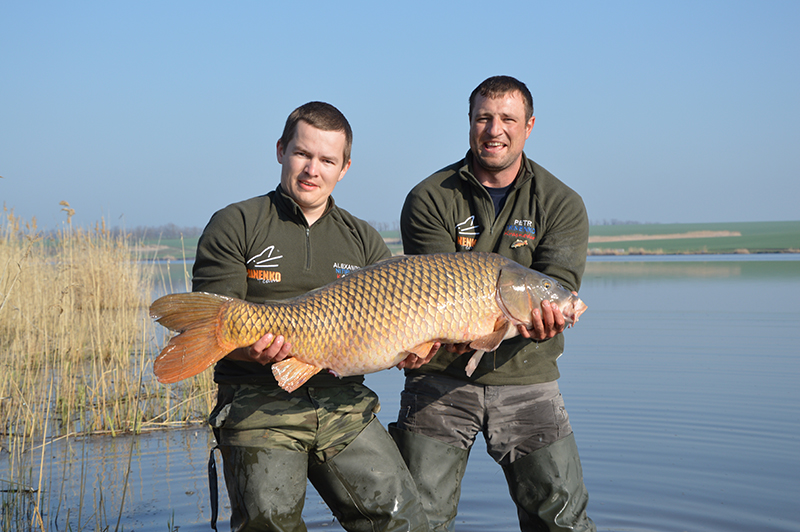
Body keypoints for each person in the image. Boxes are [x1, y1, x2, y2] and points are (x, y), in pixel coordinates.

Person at [194, 101, 431, 532]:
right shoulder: (236, 223)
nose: (312, 170)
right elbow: (215, 323)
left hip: (345, 406)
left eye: (327, 160)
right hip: (257, 403)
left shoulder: (363, 239)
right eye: (303, 154)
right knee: (270, 525)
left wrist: (413, 353)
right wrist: (256, 351)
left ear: (344, 168)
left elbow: (397, 331)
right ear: (281, 150)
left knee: (405, 522)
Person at [389, 76, 596, 532]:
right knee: (418, 519)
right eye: (484, 118)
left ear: (529, 126)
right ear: (469, 123)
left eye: (507, 119)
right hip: (440, 378)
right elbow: (427, 295)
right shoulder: (430, 197)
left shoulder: (560, 202)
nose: (494, 129)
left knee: (562, 518)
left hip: (527, 378)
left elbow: (557, 287)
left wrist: (549, 319)